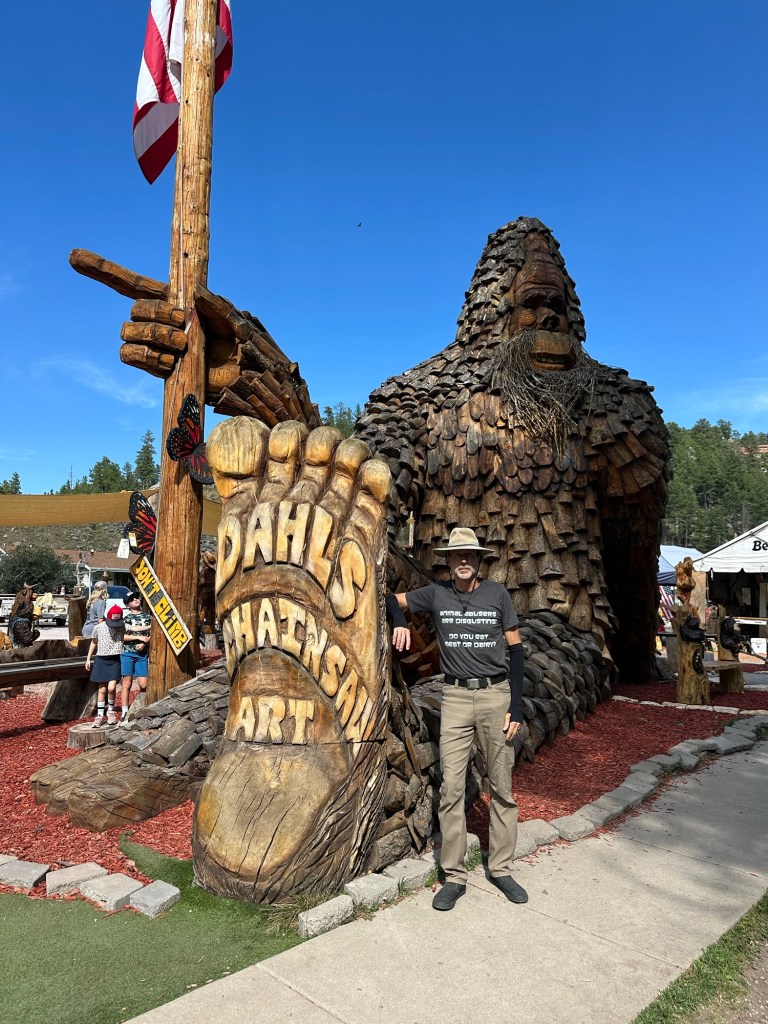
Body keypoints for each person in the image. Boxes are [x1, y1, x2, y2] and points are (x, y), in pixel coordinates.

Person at [387, 527, 527, 912]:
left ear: (479, 559)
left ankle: (500, 868)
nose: (463, 560)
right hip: (455, 697)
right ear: (448, 560)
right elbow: (390, 599)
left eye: (470, 555)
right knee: (451, 787)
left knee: (501, 784)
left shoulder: (497, 595)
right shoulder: (435, 593)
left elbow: (515, 652)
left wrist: (516, 706)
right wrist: (399, 621)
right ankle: (454, 875)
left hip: (495, 695)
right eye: (456, 555)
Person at [85, 604, 125, 727]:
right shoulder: (98, 627)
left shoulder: (122, 626)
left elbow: (130, 632)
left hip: (115, 658)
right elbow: (93, 642)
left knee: (111, 687)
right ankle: (100, 715)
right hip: (101, 659)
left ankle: (111, 711)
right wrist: (88, 658)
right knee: (102, 689)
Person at [119, 591, 151, 721]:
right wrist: (139, 637)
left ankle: (142, 707)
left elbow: (153, 632)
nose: (136, 600)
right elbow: (122, 636)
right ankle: (125, 711)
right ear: (128, 605)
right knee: (127, 683)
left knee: (144, 684)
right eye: (132, 599)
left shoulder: (148, 617)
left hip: (142, 656)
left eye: (137, 597)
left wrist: (145, 643)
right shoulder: (125, 619)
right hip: (127, 654)